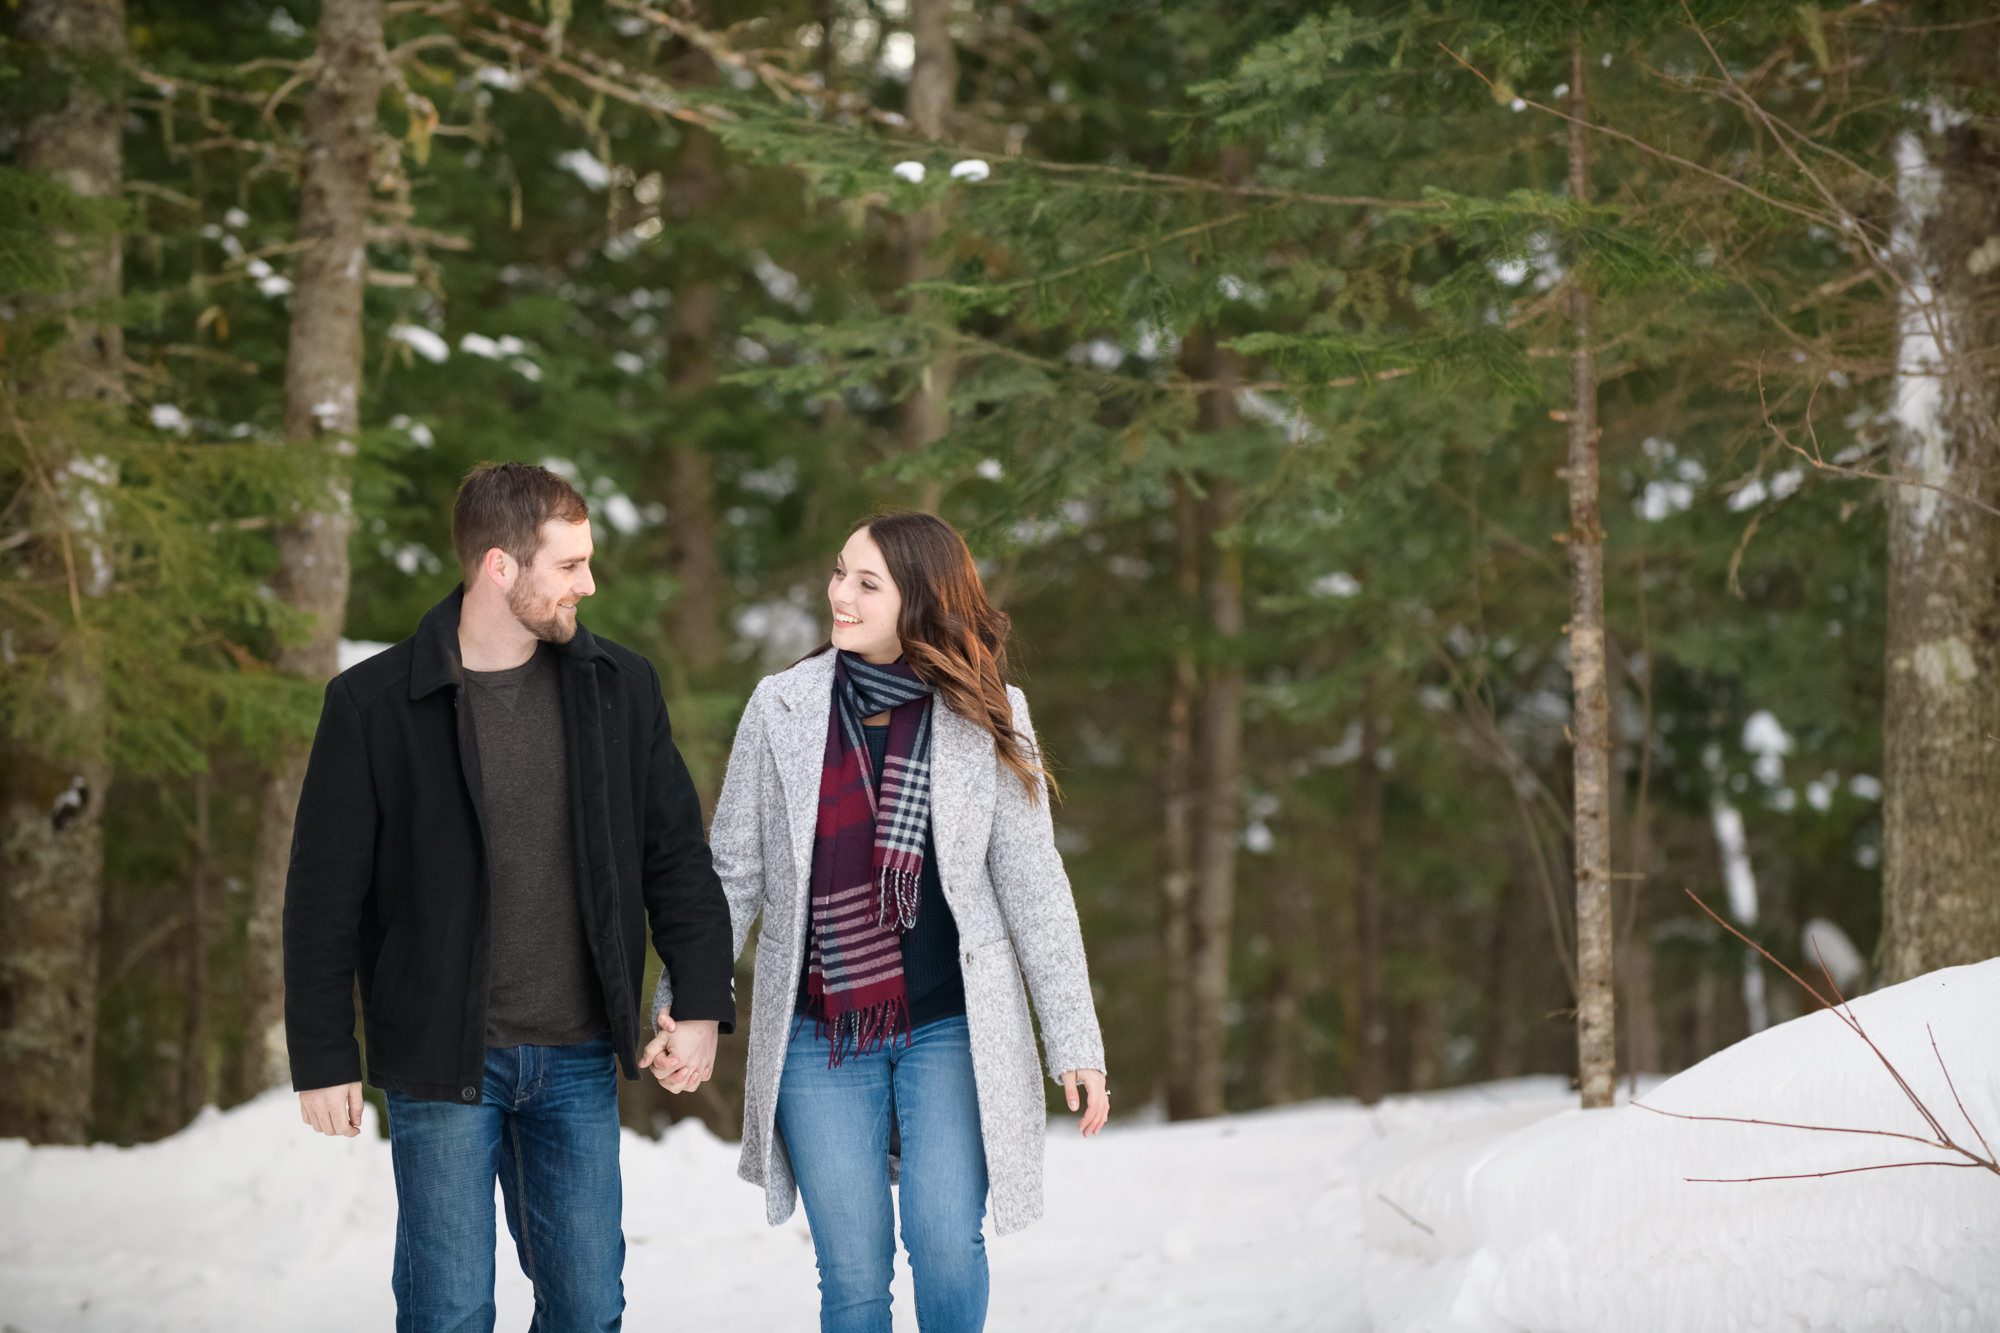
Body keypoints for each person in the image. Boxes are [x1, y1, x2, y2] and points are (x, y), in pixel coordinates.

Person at [283, 461, 735, 1332]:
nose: (588, 584)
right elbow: (322, 895)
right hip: (442, 1059)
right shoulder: (372, 704)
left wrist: (703, 1000)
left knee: (588, 1308)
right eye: (569, 565)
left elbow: (676, 855)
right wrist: (324, 1051)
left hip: (577, 1056)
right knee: (450, 1309)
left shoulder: (621, 686)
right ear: (500, 566)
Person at [642, 511, 1107, 1333]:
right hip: (817, 1032)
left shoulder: (987, 712)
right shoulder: (782, 706)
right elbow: (733, 874)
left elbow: (1034, 885)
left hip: (950, 1028)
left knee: (946, 1241)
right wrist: (689, 1004)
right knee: (853, 1274)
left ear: (919, 600)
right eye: (838, 572)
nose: (840, 595)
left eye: (867, 583)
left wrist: (1075, 1039)